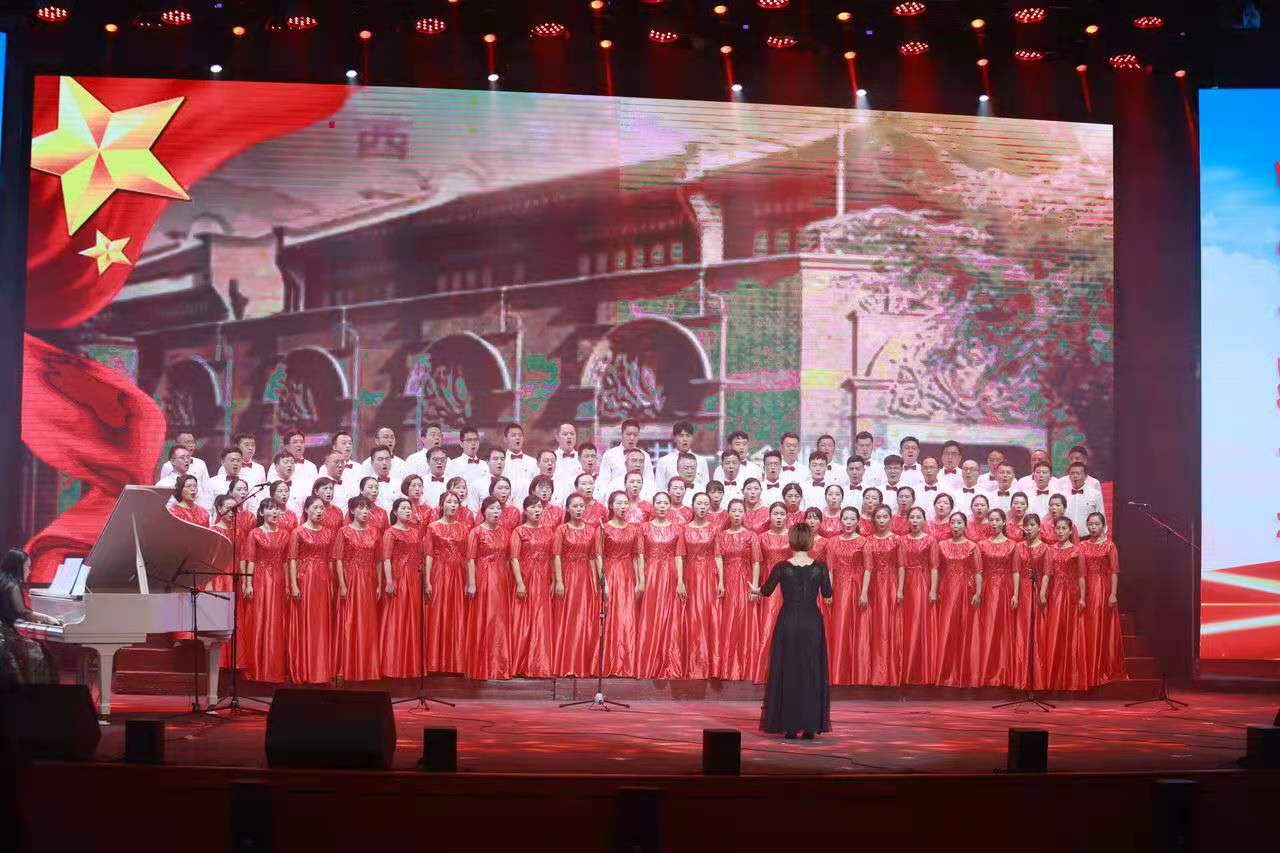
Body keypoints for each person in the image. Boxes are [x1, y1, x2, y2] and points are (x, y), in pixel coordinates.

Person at [751, 523, 832, 739]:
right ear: (810, 541)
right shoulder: (820, 567)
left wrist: (754, 589)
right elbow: (827, 593)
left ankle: (789, 726)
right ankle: (810, 726)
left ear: (791, 540)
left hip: (788, 622)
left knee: (788, 669)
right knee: (811, 670)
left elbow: (765, 591)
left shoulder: (782, 567)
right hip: (812, 622)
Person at [287, 496, 337, 684]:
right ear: (306, 509)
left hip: (323, 581)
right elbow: (292, 559)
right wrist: (293, 584)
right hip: (305, 580)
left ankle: (321, 671)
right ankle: (304, 670)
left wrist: (332, 583)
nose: (319, 511)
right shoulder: (298, 532)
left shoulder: (329, 533)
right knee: (306, 623)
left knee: (322, 624)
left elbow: (331, 561)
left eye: (322, 508)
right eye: (315, 507)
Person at [240, 499, 290, 683]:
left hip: (278, 579)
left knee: (276, 622)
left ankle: (274, 669)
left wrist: (288, 584)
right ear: (261, 513)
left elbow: (286, 562)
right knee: (260, 619)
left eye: (276, 509)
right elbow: (250, 560)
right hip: (260, 579)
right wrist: (248, 583)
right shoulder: (254, 533)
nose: (274, 512)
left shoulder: (285, 534)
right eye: (270, 509)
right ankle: (257, 667)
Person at [463, 497, 513, 680]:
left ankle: (499, 665)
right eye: (492, 508)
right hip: (483, 577)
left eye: (498, 508)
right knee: (485, 618)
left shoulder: (506, 532)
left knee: (499, 620)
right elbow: (470, 559)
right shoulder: (476, 532)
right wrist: (472, 583)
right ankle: (481, 665)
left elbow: (508, 559)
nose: (496, 512)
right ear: (484, 511)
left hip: (501, 579)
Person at [333, 496, 382, 682]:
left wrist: (379, 583)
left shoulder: (375, 531)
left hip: (369, 580)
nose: (365, 511)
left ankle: (367, 667)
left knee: (367, 623)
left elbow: (378, 560)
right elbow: (338, 559)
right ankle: (347, 667)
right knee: (349, 621)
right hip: (351, 579)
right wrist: (342, 584)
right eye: (360, 508)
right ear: (352, 511)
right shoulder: (344, 531)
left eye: (367, 508)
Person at [552, 494, 601, 677]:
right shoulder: (561, 530)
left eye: (581, 506)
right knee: (568, 618)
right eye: (575, 506)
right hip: (567, 575)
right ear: (568, 509)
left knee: (584, 619)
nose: (579, 509)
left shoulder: (592, 530)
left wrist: (597, 581)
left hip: (585, 577)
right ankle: (566, 664)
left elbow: (594, 557)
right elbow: (556, 556)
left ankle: (582, 664)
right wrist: (559, 580)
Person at [1037, 516, 1088, 691]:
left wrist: (1082, 597)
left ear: (1070, 530)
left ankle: (1071, 677)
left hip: (1072, 594)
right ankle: (1052, 676)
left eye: (1063, 528)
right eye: (1057, 528)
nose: (1060, 531)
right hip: (1054, 593)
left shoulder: (1077, 550)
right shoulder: (1049, 550)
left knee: (1071, 632)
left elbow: (1081, 576)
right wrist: (1042, 593)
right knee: (1053, 631)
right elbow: (1046, 574)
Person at [636, 492, 683, 679]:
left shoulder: (677, 528)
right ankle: (648, 663)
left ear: (670, 506)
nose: (662, 506)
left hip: (670, 574)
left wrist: (680, 580)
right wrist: (641, 579)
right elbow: (640, 555)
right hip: (652, 574)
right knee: (651, 615)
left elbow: (679, 556)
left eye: (665, 503)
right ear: (653, 505)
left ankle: (668, 662)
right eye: (659, 503)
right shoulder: (644, 528)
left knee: (669, 617)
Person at [820, 507, 869, 686]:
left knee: (856, 627)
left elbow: (868, 569)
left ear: (858, 521)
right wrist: (829, 591)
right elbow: (830, 569)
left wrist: (864, 592)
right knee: (839, 626)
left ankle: (856, 672)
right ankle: (837, 671)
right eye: (845, 519)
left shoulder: (864, 541)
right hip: (839, 588)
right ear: (840, 521)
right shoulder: (832, 542)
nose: (848, 522)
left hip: (856, 587)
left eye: (852, 519)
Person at [934, 512, 983, 687]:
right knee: (946, 628)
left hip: (965, 591)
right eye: (953, 522)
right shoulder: (942, 545)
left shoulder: (972, 546)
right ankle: (944, 673)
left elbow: (978, 571)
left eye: (959, 522)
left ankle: (965, 673)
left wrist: (978, 593)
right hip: (947, 590)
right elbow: (937, 569)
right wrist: (935, 590)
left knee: (964, 629)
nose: (955, 526)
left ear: (965, 525)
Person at [509, 496, 556, 678]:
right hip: (526, 576)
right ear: (525, 511)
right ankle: (520, 664)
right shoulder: (519, 531)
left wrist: (554, 579)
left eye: (539, 507)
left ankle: (539, 665)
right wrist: (520, 582)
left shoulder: (549, 531)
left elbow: (553, 557)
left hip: (543, 578)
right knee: (523, 619)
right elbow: (514, 558)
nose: (537, 510)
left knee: (541, 619)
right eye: (533, 507)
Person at [679, 492, 723, 680]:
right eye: (699, 503)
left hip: (709, 576)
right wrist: (680, 581)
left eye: (706, 504)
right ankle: (692, 664)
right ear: (693, 505)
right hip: (690, 575)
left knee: (708, 616)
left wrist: (721, 580)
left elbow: (718, 556)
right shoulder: (684, 529)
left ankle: (709, 665)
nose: (703, 507)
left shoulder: (714, 529)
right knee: (693, 617)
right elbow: (680, 556)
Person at [1079, 513, 1127, 686]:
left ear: (1103, 526)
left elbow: (1114, 571)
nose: (1093, 527)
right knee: (1087, 627)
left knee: (1101, 626)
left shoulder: (1109, 546)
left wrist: (1113, 593)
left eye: (1096, 524)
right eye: (1090, 524)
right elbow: (1080, 572)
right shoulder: (1082, 545)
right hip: (1086, 588)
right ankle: (1087, 667)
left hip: (1103, 588)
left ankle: (1101, 667)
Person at [716, 499, 761, 681]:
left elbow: (756, 562)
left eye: (740, 511)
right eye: (733, 510)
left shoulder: (751, 536)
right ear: (728, 513)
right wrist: (720, 581)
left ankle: (746, 667)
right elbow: (718, 558)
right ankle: (727, 668)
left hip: (745, 580)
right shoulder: (721, 535)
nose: (736, 514)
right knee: (727, 620)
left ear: (744, 514)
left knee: (744, 620)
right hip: (727, 579)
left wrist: (755, 587)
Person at [379, 498, 424, 680]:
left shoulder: (415, 532)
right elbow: (386, 558)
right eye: (403, 508)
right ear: (395, 512)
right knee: (396, 617)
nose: (407, 511)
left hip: (413, 578)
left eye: (409, 508)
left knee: (411, 617)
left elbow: (419, 557)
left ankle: (410, 664)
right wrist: (389, 580)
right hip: (398, 576)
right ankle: (392, 663)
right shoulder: (390, 532)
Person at [425, 490, 469, 674]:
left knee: (456, 613)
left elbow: (467, 556)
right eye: (449, 502)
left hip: (458, 573)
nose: (452, 505)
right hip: (439, 572)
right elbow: (428, 554)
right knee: (438, 612)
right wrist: (427, 580)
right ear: (441, 505)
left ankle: (455, 662)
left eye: (455, 502)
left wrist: (469, 580)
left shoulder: (464, 528)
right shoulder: (432, 527)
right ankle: (435, 662)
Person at [0, 549, 59, 687]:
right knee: (38, 652)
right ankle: (37, 691)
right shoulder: (12, 586)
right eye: (27, 566)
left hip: (4, 631)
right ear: (18, 567)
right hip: (4, 635)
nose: (29, 571)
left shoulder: (3, 581)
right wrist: (48, 619)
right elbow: (24, 612)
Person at [598, 492, 642, 677]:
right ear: (611, 506)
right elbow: (598, 556)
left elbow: (637, 556)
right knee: (611, 617)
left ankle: (626, 664)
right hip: (611, 572)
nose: (623, 506)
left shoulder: (634, 530)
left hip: (627, 574)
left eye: (625, 503)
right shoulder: (604, 528)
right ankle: (610, 662)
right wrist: (604, 581)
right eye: (619, 503)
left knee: (627, 618)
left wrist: (640, 580)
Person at [975, 509, 1018, 687]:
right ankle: (987, 671)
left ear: (1003, 522)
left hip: (1006, 588)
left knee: (1005, 629)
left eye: (997, 520)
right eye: (991, 520)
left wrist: (1016, 593)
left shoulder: (1013, 545)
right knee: (988, 628)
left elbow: (1016, 571)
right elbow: (978, 571)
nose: (993, 523)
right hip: (988, 589)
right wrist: (978, 592)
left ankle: (1005, 672)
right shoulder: (981, 545)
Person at [754, 503, 796, 683]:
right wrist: (757, 586)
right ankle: (765, 670)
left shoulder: (792, 537)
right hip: (769, 582)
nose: (779, 517)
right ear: (769, 516)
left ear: (787, 516)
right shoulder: (761, 537)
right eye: (775, 514)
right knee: (768, 624)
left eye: (782, 514)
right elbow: (757, 562)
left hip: (789, 583)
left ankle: (789, 669)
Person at [863, 505, 903, 686]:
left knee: (889, 624)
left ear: (890, 518)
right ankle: (873, 671)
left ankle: (889, 671)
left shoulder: (897, 540)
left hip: (891, 584)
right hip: (873, 585)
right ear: (873, 520)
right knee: (874, 625)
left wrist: (900, 589)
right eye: (878, 517)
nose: (881, 520)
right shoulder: (868, 541)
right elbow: (867, 567)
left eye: (884, 516)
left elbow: (901, 566)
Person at [899, 506, 938, 686]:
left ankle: (921, 668)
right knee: (906, 624)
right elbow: (900, 566)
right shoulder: (902, 540)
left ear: (924, 520)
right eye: (912, 517)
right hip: (906, 582)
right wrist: (900, 588)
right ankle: (905, 667)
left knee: (919, 622)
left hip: (922, 582)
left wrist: (933, 590)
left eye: (918, 517)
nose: (915, 520)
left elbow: (934, 567)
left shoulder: (930, 540)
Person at [1012, 513, 1047, 691]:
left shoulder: (1045, 548)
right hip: (1023, 590)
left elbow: (1047, 572)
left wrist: (1042, 593)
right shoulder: (1019, 547)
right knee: (1022, 630)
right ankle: (1021, 676)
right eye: (1027, 525)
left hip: (1037, 588)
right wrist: (1015, 594)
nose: (1029, 528)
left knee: (1037, 630)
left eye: (1032, 524)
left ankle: (1037, 677)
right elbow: (1016, 571)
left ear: (1039, 527)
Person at [656, 421, 709, 491]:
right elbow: (659, 489)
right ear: (674, 438)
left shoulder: (701, 461)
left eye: (688, 435)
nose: (685, 439)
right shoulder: (663, 461)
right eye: (681, 436)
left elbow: (705, 487)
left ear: (692, 438)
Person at [501, 423, 538, 506]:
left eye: (520, 435)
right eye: (513, 435)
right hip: (506, 507)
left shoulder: (532, 462)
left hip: (529, 507)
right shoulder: (501, 462)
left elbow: (536, 487)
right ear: (505, 439)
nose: (517, 438)